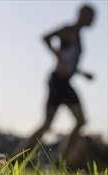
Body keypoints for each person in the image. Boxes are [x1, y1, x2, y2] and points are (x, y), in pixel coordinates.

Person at [27, 5, 95, 158]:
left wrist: (82, 73)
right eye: (91, 16)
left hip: (64, 83)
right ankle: (17, 158)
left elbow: (69, 62)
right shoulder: (69, 30)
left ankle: (61, 162)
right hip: (58, 82)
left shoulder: (77, 35)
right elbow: (46, 38)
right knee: (49, 124)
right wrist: (56, 54)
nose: (93, 20)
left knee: (78, 121)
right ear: (83, 15)